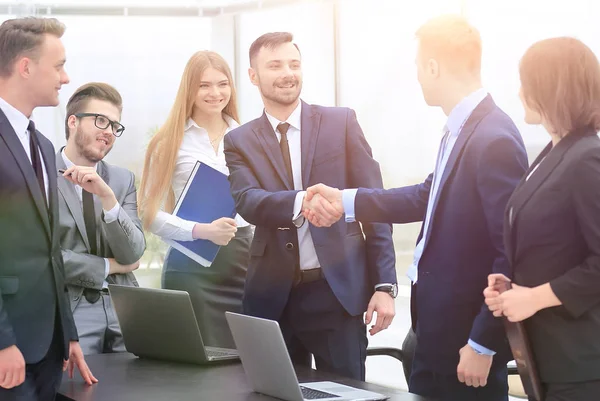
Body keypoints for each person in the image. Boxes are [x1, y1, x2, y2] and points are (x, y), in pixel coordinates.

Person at [306, 15, 528, 400]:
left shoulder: (493, 138)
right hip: (435, 333)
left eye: (418, 68)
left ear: (433, 66)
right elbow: (424, 197)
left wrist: (483, 343)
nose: (419, 79)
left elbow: (509, 254)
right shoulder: (460, 131)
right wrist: (345, 201)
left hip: (464, 341)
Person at [223, 32, 397, 381]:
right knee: (275, 392)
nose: (288, 73)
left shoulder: (341, 122)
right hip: (272, 299)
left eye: (294, 64)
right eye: (275, 65)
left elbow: (375, 205)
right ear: (253, 76)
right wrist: (303, 200)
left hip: (337, 294)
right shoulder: (239, 140)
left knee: (348, 393)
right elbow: (248, 201)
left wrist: (384, 286)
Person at [484, 37, 600, 401]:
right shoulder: (553, 153)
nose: (519, 92)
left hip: (580, 364)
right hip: (545, 357)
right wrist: (515, 283)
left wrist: (535, 297)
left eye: (526, 82)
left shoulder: (586, 158)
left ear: (551, 87)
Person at [0, 17, 96, 399]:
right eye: (58, 66)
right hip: (9, 349)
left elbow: (49, 251)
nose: (66, 77)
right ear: (25, 66)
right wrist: (2, 341)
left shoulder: (41, 143)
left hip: (49, 348)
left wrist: (67, 333)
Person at [139, 51, 250, 349]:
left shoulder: (250, 137)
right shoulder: (169, 141)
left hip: (244, 262)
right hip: (191, 266)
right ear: (189, 89)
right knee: (198, 369)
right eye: (204, 85)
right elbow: (147, 214)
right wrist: (200, 231)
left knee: (245, 365)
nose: (215, 93)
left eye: (222, 84)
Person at [57, 82, 146, 355]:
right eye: (100, 120)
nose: (108, 131)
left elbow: (133, 252)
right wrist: (107, 267)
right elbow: (42, 256)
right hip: (69, 307)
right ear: (73, 121)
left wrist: (109, 200)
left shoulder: (122, 179)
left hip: (125, 307)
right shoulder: (40, 175)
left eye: (114, 126)